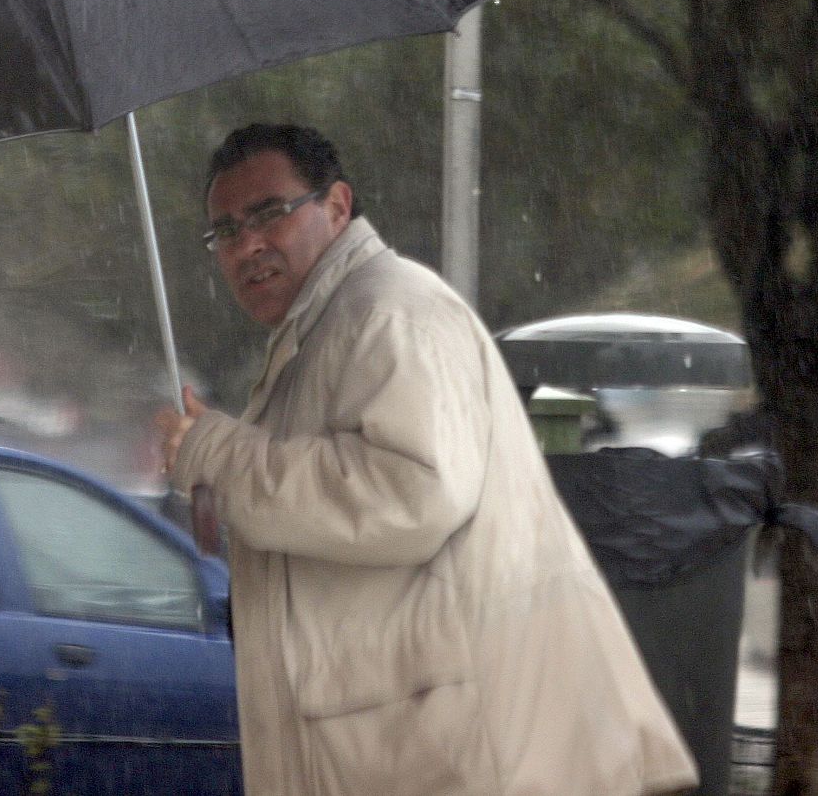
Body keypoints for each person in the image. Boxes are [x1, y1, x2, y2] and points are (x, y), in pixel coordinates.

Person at [157, 124, 697, 796]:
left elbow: (415, 492)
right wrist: (226, 488)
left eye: (269, 213)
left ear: (337, 204)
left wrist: (225, 455)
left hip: (464, 755)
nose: (248, 245)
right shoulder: (323, 330)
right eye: (226, 230)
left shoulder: (391, 310)